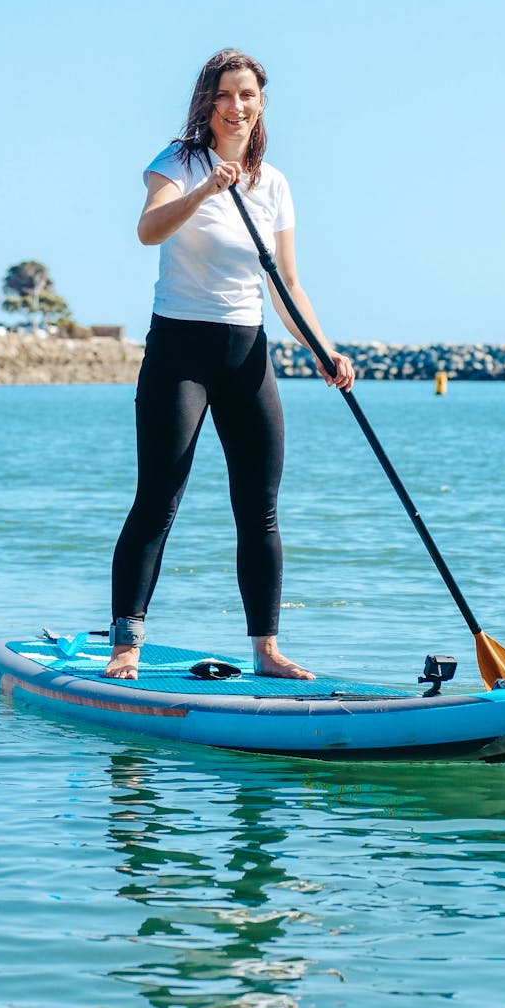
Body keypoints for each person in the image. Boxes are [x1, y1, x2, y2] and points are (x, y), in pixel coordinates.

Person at [107, 49, 354, 682]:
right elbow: (148, 230)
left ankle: (267, 650)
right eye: (225, 95)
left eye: (247, 94)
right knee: (158, 499)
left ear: (261, 102)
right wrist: (206, 190)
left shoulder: (273, 183)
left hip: (247, 352)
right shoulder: (179, 163)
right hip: (180, 352)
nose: (237, 106)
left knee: (261, 507)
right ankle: (126, 645)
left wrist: (324, 351)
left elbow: (287, 284)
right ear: (207, 103)